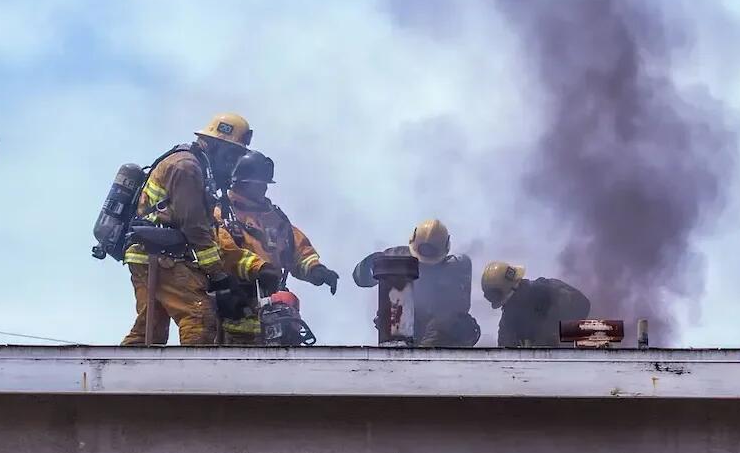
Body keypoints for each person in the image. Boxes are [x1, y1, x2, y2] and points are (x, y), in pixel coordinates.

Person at [121, 113, 269, 345]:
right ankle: (194, 379)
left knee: (150, 329)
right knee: (199, 317)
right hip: (163, 258)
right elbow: (194, 227)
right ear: (214, 145)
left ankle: (125, 378)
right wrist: (219, 276)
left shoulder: (192, 164)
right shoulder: (187, 168)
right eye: (231, 155)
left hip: (149, 255)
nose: (231, 164)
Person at [214, 150, 339, 344]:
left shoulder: (275, 218)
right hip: (234, 302)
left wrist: (316, 269)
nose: (263, 189)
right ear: (241, 183)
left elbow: (296, 250)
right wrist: (260, 268)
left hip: (272, 306)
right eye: (258, 184)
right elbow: (225, 251)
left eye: (265, 184)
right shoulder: (222, 214)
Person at [352, 219, 480, 347]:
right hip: (399, 329)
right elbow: (360, 278)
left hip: (439, 336)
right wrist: (372, 265)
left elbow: (453, 314)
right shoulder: (396, 257)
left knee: (463, 326)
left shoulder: (454, 270)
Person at [481, 261, 591, 347]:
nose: (507, 307)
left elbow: (582, 305)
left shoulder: (548, 291)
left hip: (570, 364)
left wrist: (553, 333)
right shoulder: (509, 319)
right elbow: (506, 354)